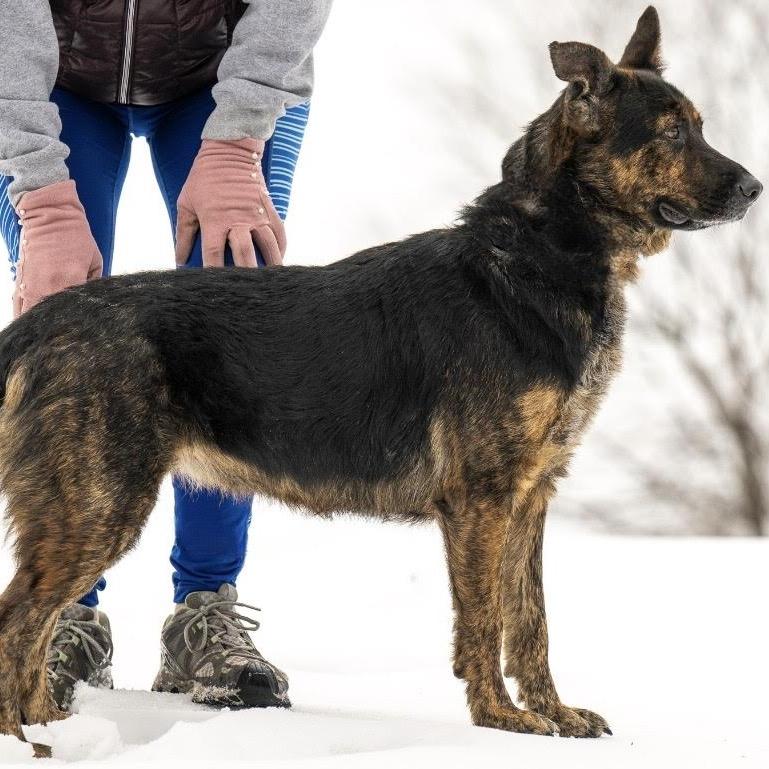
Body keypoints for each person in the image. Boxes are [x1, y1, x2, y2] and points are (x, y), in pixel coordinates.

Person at [0, 0, 332, 711]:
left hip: (221, 78)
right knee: (67, 335)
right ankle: (64, 611)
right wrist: (41, 194)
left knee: (234, 324)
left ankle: (205, 611)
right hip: (48, 84)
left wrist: (238, 141)